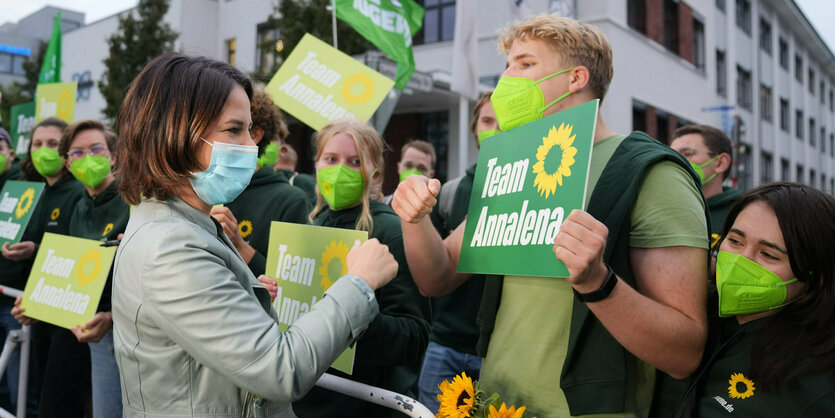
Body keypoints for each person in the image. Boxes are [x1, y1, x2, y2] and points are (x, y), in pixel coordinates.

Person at [393, 15, 710, 417]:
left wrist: (599, 282)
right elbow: (437, 277)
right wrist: (414, 219)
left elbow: (684, 352)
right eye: (506, 67)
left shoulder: (652, 173)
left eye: (525, 65)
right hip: (494, 404)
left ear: (576, 78)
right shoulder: (513, 166)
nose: (507, 80)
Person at [111, 53, 397, 417]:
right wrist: (358, 283)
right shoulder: (170, 246)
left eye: (250, 129)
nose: (251, 145)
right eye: (234, 130)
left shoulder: (184, 223)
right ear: (175, 133)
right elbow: (280, 370)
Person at [291, 119, 430, 417]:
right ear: (316, 165)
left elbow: (414, 336)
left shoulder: (391, 230)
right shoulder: (311, 224)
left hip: (366, 405)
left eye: (354, 162)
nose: (340, 169)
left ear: (374, 174)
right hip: (309, 399)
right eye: (331, 159)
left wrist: (355, 318)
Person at [674, 182, 835, 417]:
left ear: (815, 276)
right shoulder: (693, 313)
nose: (741, 260)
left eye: (768, 254)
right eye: (735, 241)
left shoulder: (815, 386)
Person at [415, 92, 498, 412]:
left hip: (496, 350)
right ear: (475, 127)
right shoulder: (451, 192)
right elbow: (429, 268)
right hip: (445, 345)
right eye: (487, 121)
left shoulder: (530, 187)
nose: (494, 129)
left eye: (503, 122)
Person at [5, 117, 87, 418]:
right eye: (37, 144)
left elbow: (78, 251)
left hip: (68, 315)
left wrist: (36, 251)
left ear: (66, 152)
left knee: (59, 403)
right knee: (40, 395)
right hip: (38, 307)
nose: (44, 151)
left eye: (53, 144)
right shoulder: (36, 191)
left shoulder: (79, 191)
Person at [60, 119, 129, 418]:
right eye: (77, 153)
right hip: (93, 330)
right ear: (67, 164)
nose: (87, 158)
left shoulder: (134, 200)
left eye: (96, 149)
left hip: (129, 330)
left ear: (113, 156)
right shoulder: (78, 206)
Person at [212, 88, 311, 277]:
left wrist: (240, 246)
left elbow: (294, 286)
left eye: (231, 129)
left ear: (254, 134)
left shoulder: (291, 200)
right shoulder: (205, 188)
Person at [670, 124, 741, 247]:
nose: (675, 161)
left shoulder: (742, 214)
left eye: (687, 153)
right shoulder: (663, 208)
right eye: (672, 155)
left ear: (720, 163)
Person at [382, 139, 435, 205]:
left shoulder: (436, 212)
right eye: (408, 166)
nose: (413, 174)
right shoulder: (382, 206)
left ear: (431, 175)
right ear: (399, 167)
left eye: (421, 169)